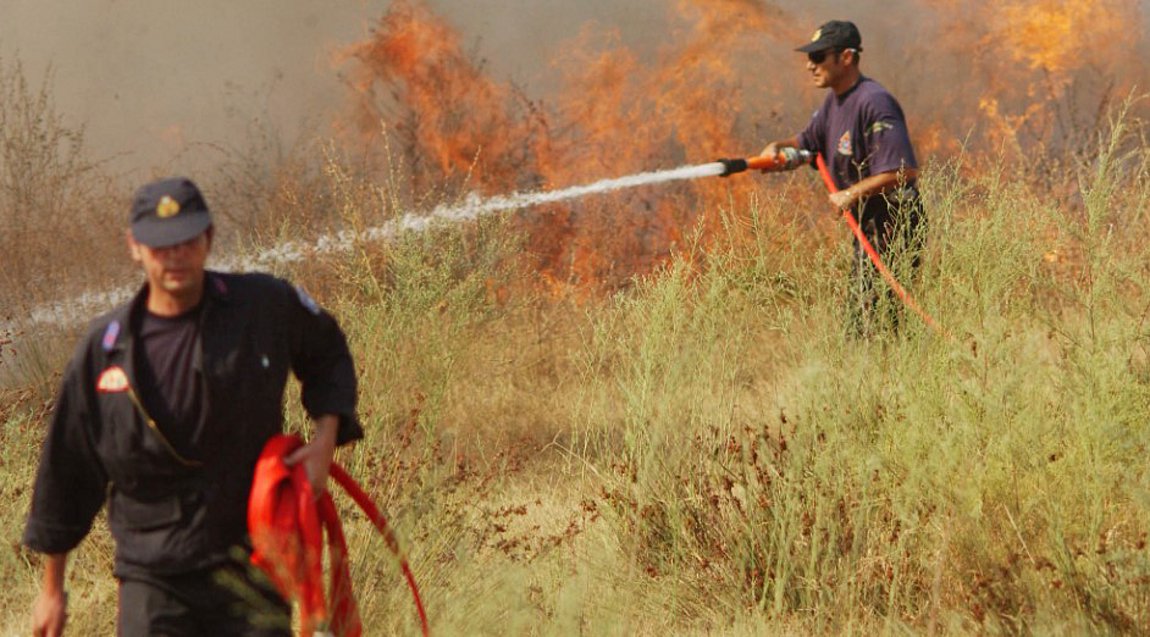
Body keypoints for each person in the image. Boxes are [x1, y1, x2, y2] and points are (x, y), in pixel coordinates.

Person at [23, 176, 362, 636]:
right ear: (135, 247)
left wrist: (324, 442)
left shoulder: (262, 306)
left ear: (208, 239)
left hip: (252, 563)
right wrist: (52, 590)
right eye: (161, 245)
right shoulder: (105, 351)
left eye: (186, 241)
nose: (175, 255)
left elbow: (328, 352)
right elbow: (66, 469)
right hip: (154, 577)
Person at [761, 20, 925, 334]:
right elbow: (807, 143)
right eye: (810, 57)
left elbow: (903, 171)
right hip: (868, 223)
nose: (810, 65)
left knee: (878, 319)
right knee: (862, 317)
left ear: (846, 57)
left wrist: (851, 194)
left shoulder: (874, 101)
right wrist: (778, 149)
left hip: (895, 220)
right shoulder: (834, 103)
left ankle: (888, 375)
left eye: (819, 56)